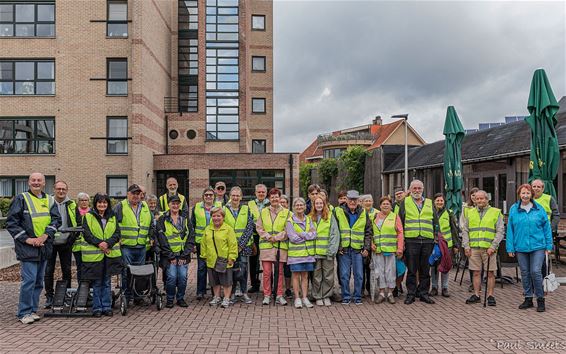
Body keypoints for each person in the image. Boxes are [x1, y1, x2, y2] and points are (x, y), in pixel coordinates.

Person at [6, 173, 61, 324]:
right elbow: (12, 223)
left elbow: (56, 221)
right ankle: (23, 313)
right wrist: (28, 239)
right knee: (29, 280)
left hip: (43, 246)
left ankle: (32, 310)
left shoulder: (50, 200)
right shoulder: (21, 199)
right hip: (27, 247)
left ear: (44, 183)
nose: (36, 182)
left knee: (38, 282)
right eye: (33, 180)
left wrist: (45, 236)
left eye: (39, 180)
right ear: (29, 182)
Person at [507, 184, 553, 312]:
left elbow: (547, 228)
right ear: (519, 195)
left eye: (528, 193)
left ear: (532, 194)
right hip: (520, 247)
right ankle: (528, 298)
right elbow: (510, 229)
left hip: (538, 246)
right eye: (523, 193)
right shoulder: (514, 209)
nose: (525, 195)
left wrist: (549, 245)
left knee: (535, 272)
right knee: (525, 273)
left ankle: (540, 299)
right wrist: (510, 247)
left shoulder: (539, 209)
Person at [397, 180, 439, 305]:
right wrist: (402, 241)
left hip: (427, 240)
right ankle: (411, 293)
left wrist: (436, 237)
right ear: (410, 190)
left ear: (423, 189)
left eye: (419, 188)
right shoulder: (405, 202)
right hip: (411, 240)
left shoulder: (429, 202)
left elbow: (435, 221)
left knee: (425, 269)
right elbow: (401, 221)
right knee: (412, 269)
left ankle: (423, 293)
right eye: (414, 188)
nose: (417, 191)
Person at [81, 193, 123, 317]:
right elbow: (87, 234)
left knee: (106, 281)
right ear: (95, 204)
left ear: (108, 204)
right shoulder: (88, 216)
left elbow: (117, 233)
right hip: (95, 255)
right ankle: (97, 308)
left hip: (109, 255)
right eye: (100, 202)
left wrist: (107, 244)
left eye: (105, 202)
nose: (102, 205)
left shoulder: (112, 216)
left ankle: (107, 306)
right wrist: (100, 244)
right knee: (97, 282)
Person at [462, 190, 504, 306]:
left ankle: (490, 295)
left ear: (487, 199)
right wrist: (466, 246)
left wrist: (493, 246)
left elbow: (500, 231)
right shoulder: (469, 212)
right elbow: (465, 230)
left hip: (489, 249)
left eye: (482, 199)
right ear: (474, 200)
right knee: (476, 272)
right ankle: (476, 294)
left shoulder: (496, 212)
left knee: (490, 273)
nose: (480, 201)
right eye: (477, 199)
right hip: (474, 248)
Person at [114, 184, 154, 304]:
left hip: (141, 246)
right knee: (126, 272)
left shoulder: (145, 206)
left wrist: (151, 236)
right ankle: (127, 295)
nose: (136, 196)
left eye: (138, 194)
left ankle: (137, 296)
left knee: (139, 273)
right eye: (133, 193)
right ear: (128, 194)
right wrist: (118, 238)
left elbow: (151, 224)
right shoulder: (120, 206)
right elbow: (113, 223)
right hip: (127, 246)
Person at [155, 195, 194, 308]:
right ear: (169, 205)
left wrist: (184, 255)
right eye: (173, 203)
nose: (175, 205)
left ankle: (180, 298)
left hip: (183, 256)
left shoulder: (185, 219)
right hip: (169, 256)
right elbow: (162, 240)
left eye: (177, 203)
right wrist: (170, 256)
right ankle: (170, 299)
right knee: (171, 277)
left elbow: (191, 237)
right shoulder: (162, 219)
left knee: (182, 277)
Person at [44, 181, 78, 309]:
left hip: (66, 242)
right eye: (58, 189)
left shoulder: (72, 204)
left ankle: (66, 295)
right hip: (50, 242)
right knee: (48, 270)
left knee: (67, 270)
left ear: (67, 190)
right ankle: (49, 296)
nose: (61, 191)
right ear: (54, 189)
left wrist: (72, 238)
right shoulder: (47, 203)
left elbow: (78, 222)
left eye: (63, 189)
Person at [334, 190, 372, 305]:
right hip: (343, 250)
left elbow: (368, 232)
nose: (352, 202)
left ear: (358, 201)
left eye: (355, 200)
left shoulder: (363, 212)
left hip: (358, 250)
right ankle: (345, 296)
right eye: (350, 199)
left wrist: (366, 248)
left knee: (359, 275)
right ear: (347, 199)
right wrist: (338, 247)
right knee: (344, 275)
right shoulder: (338, 211)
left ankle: (357, 297)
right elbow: (335, 231)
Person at [256, 187, 291, 306]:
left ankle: (279, 295)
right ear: (269, 199)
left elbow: (288, 230)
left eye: (276, 196)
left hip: (280, 247)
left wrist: (276, 237)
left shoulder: (287, 213)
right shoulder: (264, 211)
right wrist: (267, 236)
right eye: (272, 197)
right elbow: (259, 227)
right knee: (266, 272)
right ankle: (267, 295)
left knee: (280, 272)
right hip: (266, 247)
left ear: (280, 198)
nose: (274, 199)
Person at [200, 207, 238, 308]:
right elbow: (203, 243)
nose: (216, 218)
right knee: (214, 280)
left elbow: (233, 244)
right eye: (214, 216)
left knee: (226, 280)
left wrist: (232, 257)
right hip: (211, 259)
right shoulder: (208, 229)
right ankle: (216, 297)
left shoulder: (228, 229)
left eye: (218, 216)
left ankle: (226, 298)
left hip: (224, 260)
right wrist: (204, 255)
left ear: (223, 217)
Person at [223, 186, 254, 304]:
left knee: (244, 269)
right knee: (231, 269)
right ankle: (232, 293)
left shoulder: (246, 209)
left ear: (241, 197)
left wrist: (240, 245)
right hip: (230, 247)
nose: (235, 197)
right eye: (233, 195)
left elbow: (250, 227)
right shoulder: (224, 209)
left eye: (237, 195)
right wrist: (233, 245)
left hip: (244, 246)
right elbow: (223, 227)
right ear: (230, 196)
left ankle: (244, 292)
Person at [371, 196, 404, 304]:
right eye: (383, 204)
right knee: (379, 271)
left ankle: (390, 293)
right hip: (378, 250)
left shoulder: (395, 217)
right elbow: (371, 232)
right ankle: (381, 293)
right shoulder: (375, 217)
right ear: (380, 206)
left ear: (391, 206)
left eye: (388, 204)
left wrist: (400, 248)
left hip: (390, 250)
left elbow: (400, 233)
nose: (385, 206)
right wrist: (371, 243)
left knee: (390, 272)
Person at [286, 198, 317, 308]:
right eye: (297, 205)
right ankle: (297, 298)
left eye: (301, 205)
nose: (299, 207)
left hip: (308, 254)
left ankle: (305, 297)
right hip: (295, 255)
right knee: (295, 276)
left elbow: (314, 234)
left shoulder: (309, 219)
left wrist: (301, 234)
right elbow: (293, 238)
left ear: (304, 206)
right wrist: (307, 235)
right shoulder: (290, 221)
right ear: (294, 207)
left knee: (305, 276)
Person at [309, 196, 339, 306]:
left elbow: (334, 234)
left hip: (327, 252)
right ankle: (317, 296)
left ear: (324, 204)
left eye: (321, 203)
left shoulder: (330, 216)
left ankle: (326, 295)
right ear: (314, 205)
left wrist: (332, 250)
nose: (319, 205)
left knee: (328, 276)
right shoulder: (310, 217)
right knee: (316, 276)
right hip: (315, 253)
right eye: (317, 203)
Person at [430, 193, 460, 297]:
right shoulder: (430, 212)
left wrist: (456, 245)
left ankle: (445, 287)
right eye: (437, 200)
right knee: (434, 266)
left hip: (447, 245)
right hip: (434, 244)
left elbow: (454, 229)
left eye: (441, 201)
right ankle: (434, 287)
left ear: (444, 202)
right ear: (434, 202)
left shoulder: (449, 213)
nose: (439, 202)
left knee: (445, 265)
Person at [247, 184, 269, 293]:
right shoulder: (250, 204)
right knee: (253, 261)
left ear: (266, 193)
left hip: (266, 236)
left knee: (268, 261)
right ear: (255, 193)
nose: (261, 194)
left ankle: (268, 285)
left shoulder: (270, 204)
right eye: (259, 192)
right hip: (254, 236)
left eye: (263, 192)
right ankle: (254, 284)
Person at [461, 187, 479, 292]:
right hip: (469, 239)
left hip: (481, 239)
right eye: (472, 195)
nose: (474, 197)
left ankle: (479, 283)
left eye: (476, 195)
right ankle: (473, 283)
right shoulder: (466, 208)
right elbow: (462, 223)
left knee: (480, 264)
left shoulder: (485, 207)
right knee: (472, 263)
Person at [72, 192, 90, 284]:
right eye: (81, 200)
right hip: (77, 246)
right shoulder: (74, 212)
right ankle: (81, 286)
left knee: (89, 267)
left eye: (86, 200)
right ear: (78, 202)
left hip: (89, 246)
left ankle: (89, 287)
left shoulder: (92, 213)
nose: (84, 202)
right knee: (80, 267)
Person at [279, 194, 293, 298]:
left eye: (284, 202)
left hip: (289, 246)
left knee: (288, 269)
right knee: (278, 269)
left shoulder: (292, 215)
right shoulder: (274, 214)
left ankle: (288, 289)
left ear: (287, 204)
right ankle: (278, 288)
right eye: (281, 202)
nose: (282, 204)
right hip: (278, 245)